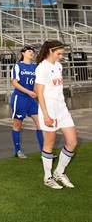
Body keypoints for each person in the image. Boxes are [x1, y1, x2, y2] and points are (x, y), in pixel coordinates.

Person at [35, 40, 77, 189]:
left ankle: (59, 172)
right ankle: (48, 177)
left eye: (62, 54)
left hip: (61, 108)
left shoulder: (58, 66)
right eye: (59, 53)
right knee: (49, 143)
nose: (61, 56)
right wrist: (46, 115)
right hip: (48, 109)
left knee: (72, 142)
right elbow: (38, 93)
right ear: (50, 51)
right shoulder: (42, 68)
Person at [10, 45, 43, 159]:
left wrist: (38, 96)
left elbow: (34, 85)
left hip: (31, 99)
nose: (32, 53)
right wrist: (28, 92)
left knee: (40, 124)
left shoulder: (35, 67)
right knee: (17, 124)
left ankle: (44, 151)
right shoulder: (18, 66)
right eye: (29, 51)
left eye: (33, 51)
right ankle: (18, 150)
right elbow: (14, 83)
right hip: (20, 98)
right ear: (23, 53)